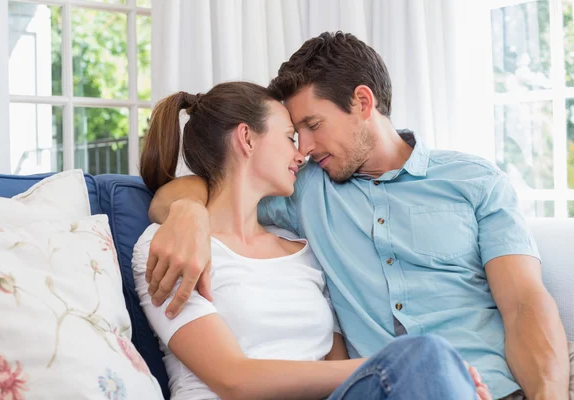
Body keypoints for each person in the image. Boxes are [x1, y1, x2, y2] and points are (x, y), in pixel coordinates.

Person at [144, 32, 571, 400]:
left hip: (495, 388)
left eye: (312, 125)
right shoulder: (304, 190)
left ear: (362, 102)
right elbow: (221, 187)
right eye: (295, 133)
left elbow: (524, 305)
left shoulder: (474, 181)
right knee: (428, 354)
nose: (304, 147)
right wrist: (186, 213)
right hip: (385, 386)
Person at [132, 82, 485, 399]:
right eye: (289, 137)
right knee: (427, 355)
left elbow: (339, 368)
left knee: (433, 363)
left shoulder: (301, 247)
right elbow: (234, 379)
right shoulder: (169, 246)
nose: (301, 154)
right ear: (247, 138)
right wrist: (400, 361)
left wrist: (431, 374)